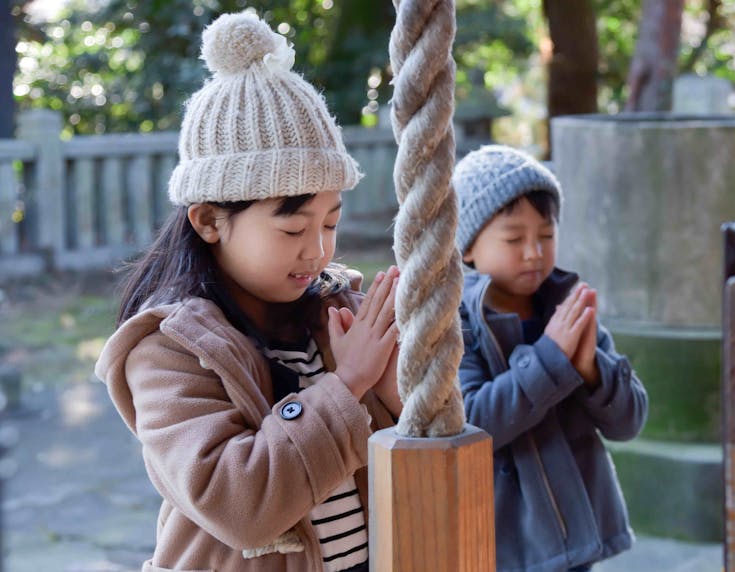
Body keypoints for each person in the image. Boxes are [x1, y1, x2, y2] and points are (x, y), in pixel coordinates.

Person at [94, 12, 401, 571]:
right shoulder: (167, 352)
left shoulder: (336, 316)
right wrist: (348, 382)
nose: (317, 251)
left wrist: (398, 385)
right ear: (210, 219)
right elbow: (240, 505)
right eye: (292, 227)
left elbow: (416, 447)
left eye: (330, 223)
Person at [453, 145, 649, 572]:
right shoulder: (459, 324)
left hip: (582, 533)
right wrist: (551, 358)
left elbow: (628, 421)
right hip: (510, 546)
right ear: (467, 247)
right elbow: (473, 422)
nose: (533, 252)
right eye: (513, 238)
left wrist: (591, 371)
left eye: (546, 235)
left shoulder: (566, 305)